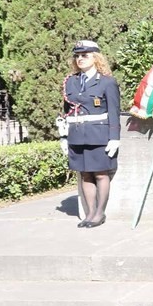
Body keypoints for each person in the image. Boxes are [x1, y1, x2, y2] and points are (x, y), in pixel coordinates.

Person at [56, 40, 121, 228]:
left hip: (98, 135)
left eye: (85, 55)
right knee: (85, 175)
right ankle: (90, 212)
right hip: (77, 134)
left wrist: (114, 138)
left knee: (101, 174)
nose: (80, 59)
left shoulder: (107, 82)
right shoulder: (71, 81)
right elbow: (66, 110)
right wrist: (64, 137)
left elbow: (114, 111)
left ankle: (100, 213)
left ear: (96, 57)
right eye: (77, 55)